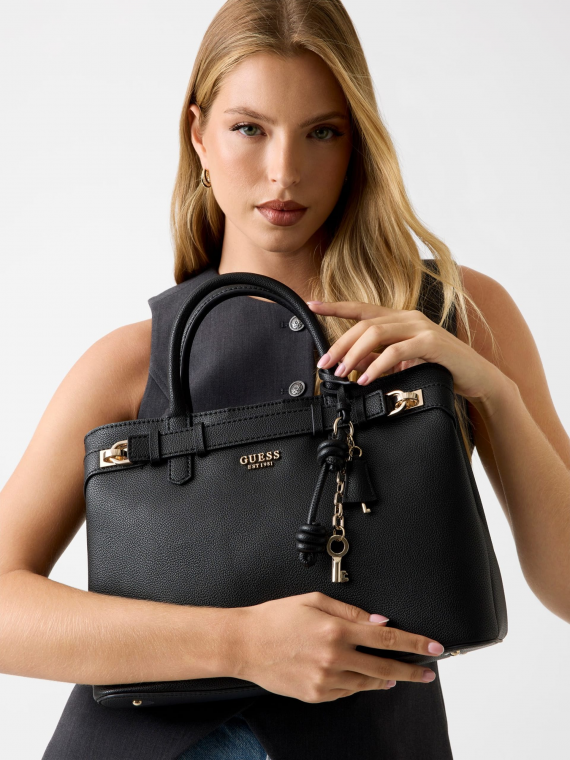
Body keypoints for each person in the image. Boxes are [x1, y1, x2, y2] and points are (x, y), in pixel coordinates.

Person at [1, 0, 569, 758]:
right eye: (249, 128)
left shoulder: (458, 316)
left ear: (357, 141)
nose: (284, 172)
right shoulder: (134, 362)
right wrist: (241, 644)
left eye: (322, 132)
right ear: (198, 134)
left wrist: (491, 392)